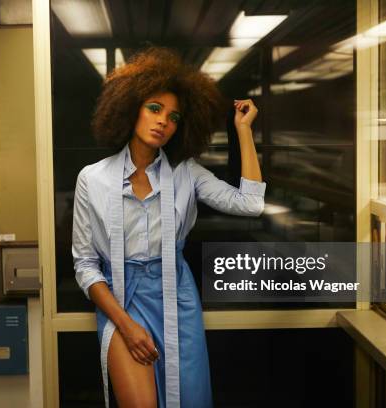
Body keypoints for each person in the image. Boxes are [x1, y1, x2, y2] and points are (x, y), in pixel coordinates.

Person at [72, 47, 265, 408]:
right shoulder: (93, 179)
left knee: (188, 400)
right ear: (132, 109)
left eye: (173, 116)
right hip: (121, 301)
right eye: (154, 109)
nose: (163, 121)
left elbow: (250, 204)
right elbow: (85, 265)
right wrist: (126, 326)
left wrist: (243, 130)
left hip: (177, 295)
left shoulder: (186, 173)